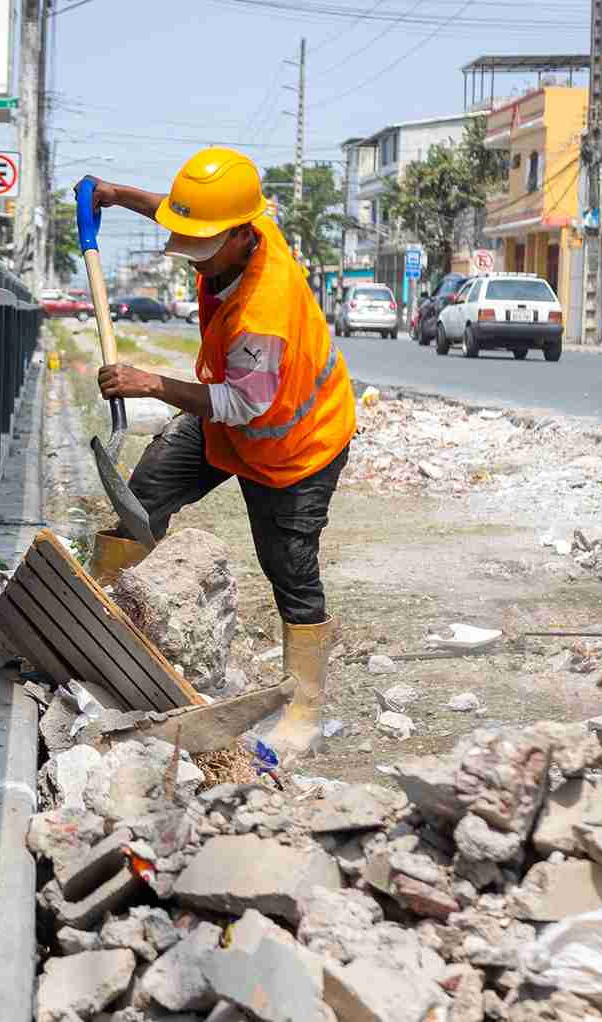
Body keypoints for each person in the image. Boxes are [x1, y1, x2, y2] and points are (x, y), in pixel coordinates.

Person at [77, 148, 357, 757]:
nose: (190, 245)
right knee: (144, 492)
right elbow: (187, 215)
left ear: (236, 235)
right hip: (228, 422)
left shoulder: (266, 306)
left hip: (293, 444)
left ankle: (305, 709)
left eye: (203, 237)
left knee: (288, 565)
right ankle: (87, 623)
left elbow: (243, 404)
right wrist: (123, 195)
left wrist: (151, 382)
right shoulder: (242, 227)